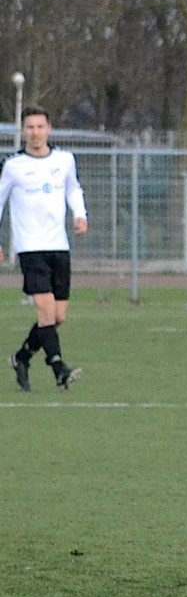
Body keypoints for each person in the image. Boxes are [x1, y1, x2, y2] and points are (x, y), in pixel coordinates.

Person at [1, 107, 88, 391]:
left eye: (40, 127)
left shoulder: (64, 160)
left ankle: (22, 357)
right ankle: (59, 368)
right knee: (46, 311)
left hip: (59, 246)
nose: (35, 132)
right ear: (23, 131)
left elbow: (73, 188)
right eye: (30, 127)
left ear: (49, 129)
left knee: (57, 317)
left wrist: (80, 214)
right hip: (30, 248)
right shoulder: (13, 165)